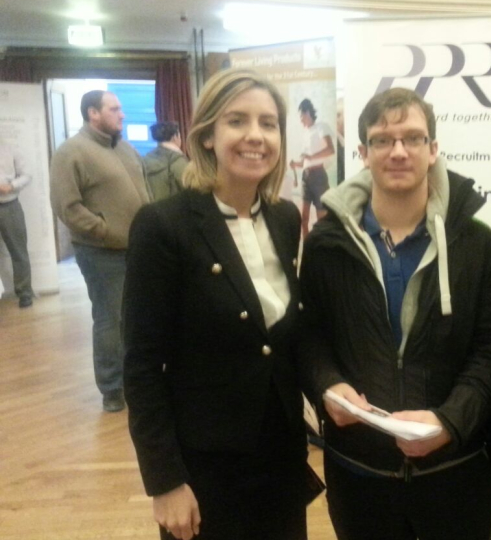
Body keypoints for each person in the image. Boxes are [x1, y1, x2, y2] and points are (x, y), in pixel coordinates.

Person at [299, 87, 491, 540]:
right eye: (382, 140)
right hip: (359, 476)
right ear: (362, 152)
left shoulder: (480, 247)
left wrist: (450, 421)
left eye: (413, 138)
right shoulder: (325, 246)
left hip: (455, 474)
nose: (398, 151)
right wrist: (326, 385)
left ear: (433, 149)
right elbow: (310, 336)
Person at [123, 69, 313, 540]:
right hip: (205, 468)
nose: (256, 136)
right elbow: (142, 365)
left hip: (281, 457)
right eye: (237, 121)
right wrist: (164, 481)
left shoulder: (285, 218)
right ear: (207, 135)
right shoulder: (163, 226)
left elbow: (283, 339)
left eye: (268, 124)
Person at [50, 89, 151, 412]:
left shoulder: (124, 148)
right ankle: (112, 388)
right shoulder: (71, 152)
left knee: (135, 317)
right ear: (93, 113)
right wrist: (105, 230)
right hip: (101, 252)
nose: (122, 114)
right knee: (111, 317)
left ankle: (134, 379)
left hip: (137, 248)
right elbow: (67, 207)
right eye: (114, 109)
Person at [289, 98, 335, 238]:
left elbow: (331, 149)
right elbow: (306, 161)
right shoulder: (305, 133)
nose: (301, 121)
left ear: (308, 112)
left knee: (322, 219)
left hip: (318, 176)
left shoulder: (322, 127)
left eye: (301, 117)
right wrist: (296, 164)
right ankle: (308, 247)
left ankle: (322, 247)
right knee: (304, 219)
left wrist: (310, 156)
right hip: (306, 177)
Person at [0, 142, 34, 308]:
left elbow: (27, 175)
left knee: (18, 251)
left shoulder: (10, 148)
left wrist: (11, 186)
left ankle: (25, 293)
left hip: (9, 205)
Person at [143, 121, 188, 201]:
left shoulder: (145, 159)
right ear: (175, 137)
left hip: (151, 207)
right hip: (173, 207)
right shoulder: (177, 160)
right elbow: (191, 188)